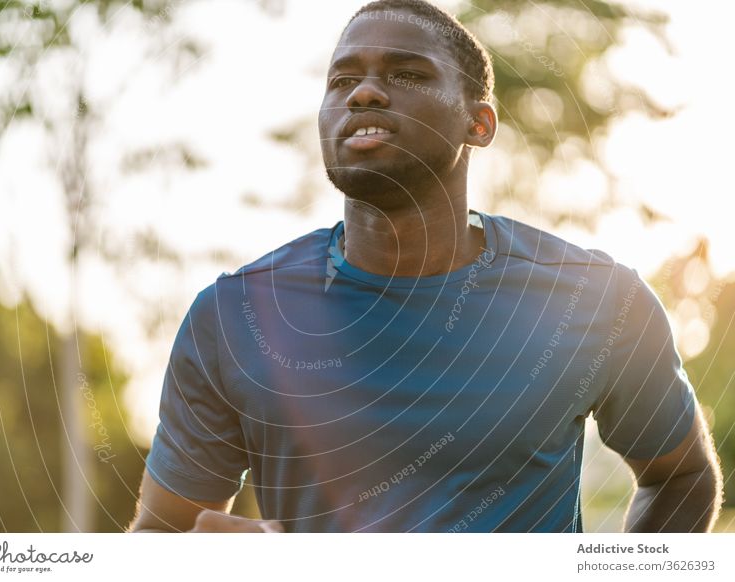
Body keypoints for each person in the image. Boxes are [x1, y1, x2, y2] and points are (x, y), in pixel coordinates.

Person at [129, 0, 723, 533]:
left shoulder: (594, 298)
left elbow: (680, 477)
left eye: (406, 74)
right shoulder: (234, 315)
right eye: (342, 79)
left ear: (479, 123)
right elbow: (162, 536)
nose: (363, 93)